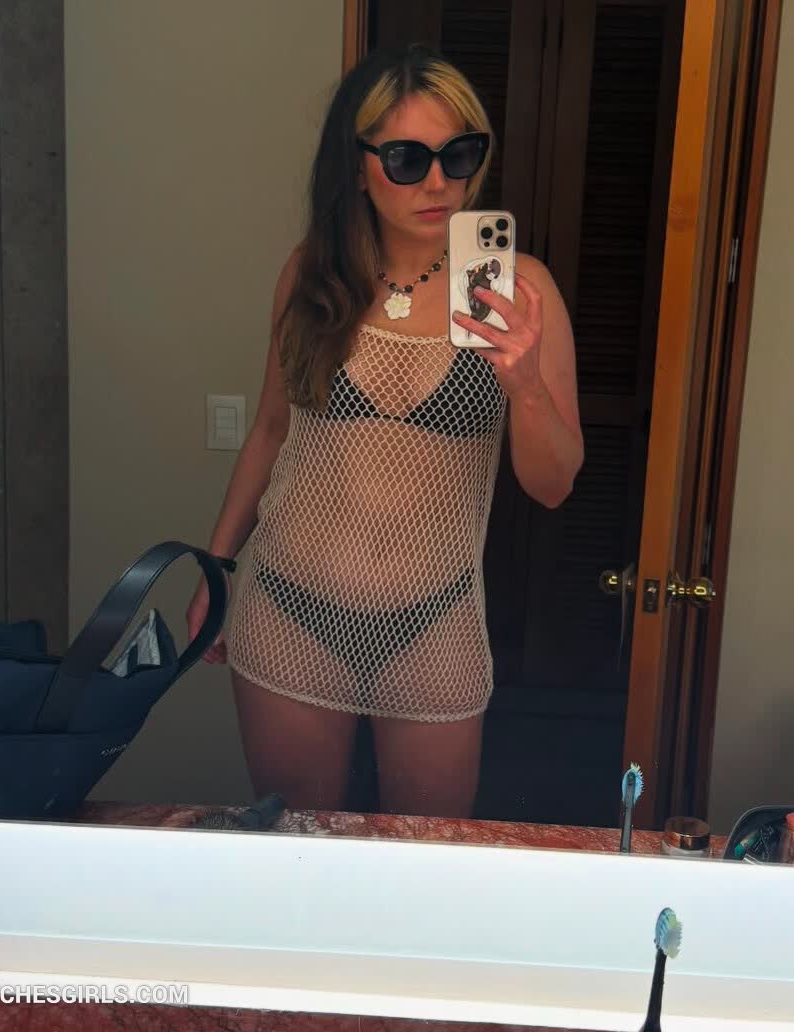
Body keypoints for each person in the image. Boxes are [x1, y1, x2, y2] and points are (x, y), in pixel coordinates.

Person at [186, 44, 582, 819]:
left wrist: (525, 385)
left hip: (435, 623)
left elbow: (553, 484)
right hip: (289, 609)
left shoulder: (519, 290)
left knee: (425, 859)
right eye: (407, 159)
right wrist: (216, 565)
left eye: (458, 155)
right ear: (358, 163)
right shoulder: (313, 274)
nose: (439, 183)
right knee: (299, 847)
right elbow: (270, 430)